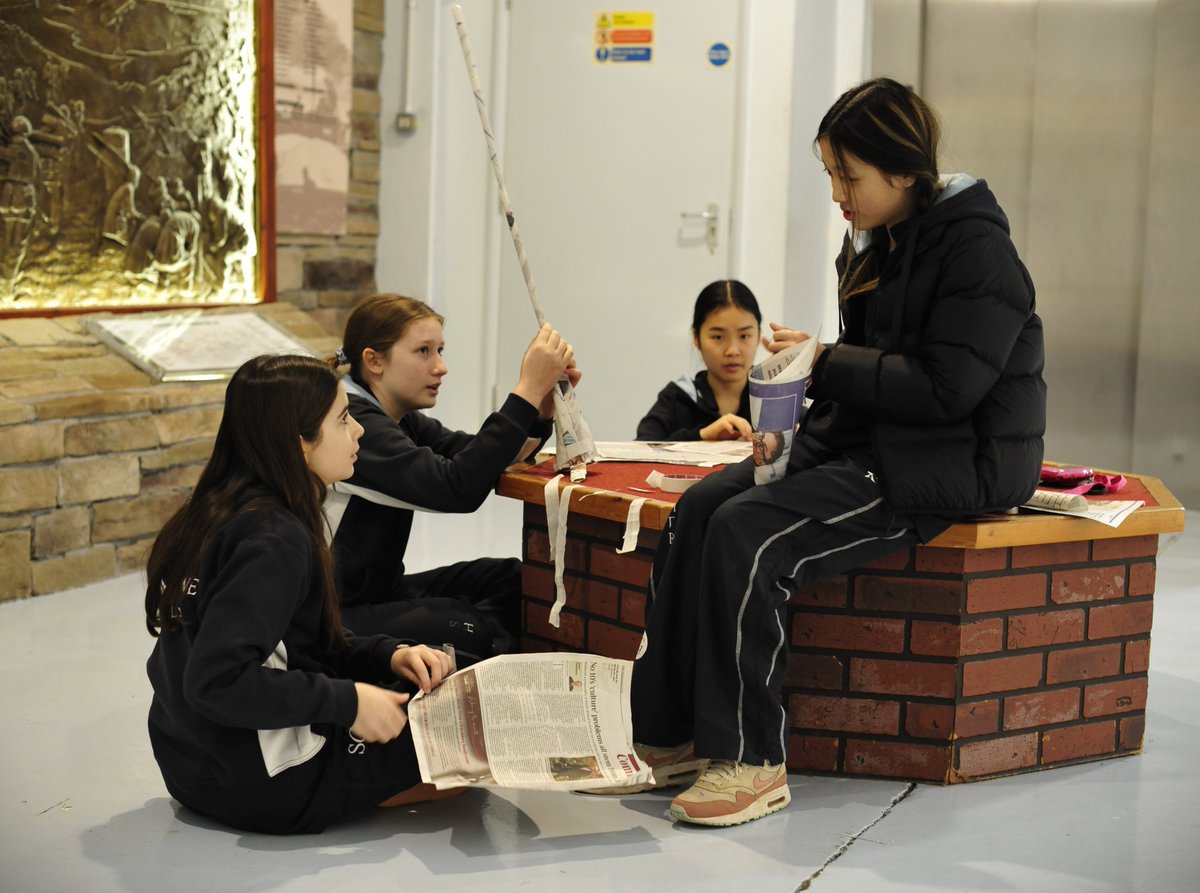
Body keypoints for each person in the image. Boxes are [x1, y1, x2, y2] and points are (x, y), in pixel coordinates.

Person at [622, 78, 1046, 827]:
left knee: (748, 532)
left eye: (847, 175)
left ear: (902, 169)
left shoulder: (980, 251)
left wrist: (823, 362)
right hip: (877, 442)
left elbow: (947, 390)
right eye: (829, 174)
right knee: (700, 507)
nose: (835, 193)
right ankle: (673, 734)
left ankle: (752, 760)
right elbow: (868, 372)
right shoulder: (872, 244)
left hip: (943, 464)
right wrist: (792, 430)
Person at [144, 354, 457, 834]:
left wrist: (387, 655)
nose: (359, 432)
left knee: (423, 677)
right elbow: (218, 681)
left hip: (193, 769)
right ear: (299, 444)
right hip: (271, 785)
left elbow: (293, 642)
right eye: (343, 419)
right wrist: (348, 703)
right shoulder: (273, 539)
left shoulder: (208, 511)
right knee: (461, 731)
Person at [329, 293, 577, 667]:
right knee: (468, 627)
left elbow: (474, 456)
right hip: (333, 611)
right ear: (373, 361)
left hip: (377, 590)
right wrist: (524, 391)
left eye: (440, 350)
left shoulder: (397, 416)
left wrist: (537, 411)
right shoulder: (355, 423)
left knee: (514, 579)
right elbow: (456, 487)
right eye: (424, 351)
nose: (441, 367)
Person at [635, 279, 760, 441]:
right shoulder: (678, 397)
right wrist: (701, 436)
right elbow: (641, 450)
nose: (732, 351)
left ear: (758, 335)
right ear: (696, 338)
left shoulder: (775, 398)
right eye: (718, 337)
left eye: (744, 336)